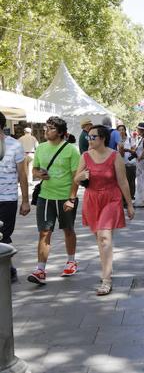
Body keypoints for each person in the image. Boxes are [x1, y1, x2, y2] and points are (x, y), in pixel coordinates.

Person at [74, 125, 134, 295]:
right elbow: (76, 179)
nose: (89, 140)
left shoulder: (115, 156)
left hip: (111, 199)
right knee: (100, 239)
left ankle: (106, 280)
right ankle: (107, 270)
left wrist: (129, 204)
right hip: (92, 200)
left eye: (93, 137)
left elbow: (123, 181)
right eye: (88, 137)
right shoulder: (85, 156)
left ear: (103, 139)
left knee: (104, 238)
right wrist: (81, 176)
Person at [28, 117, 81, 285]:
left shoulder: (71, 150)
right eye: (46, 128)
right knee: (44, 232)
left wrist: (71, 199)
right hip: (45, 196)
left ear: (60, 132)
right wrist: (38, 174)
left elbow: (76, 177)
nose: (46, 131)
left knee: (68, 230)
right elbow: (34, 169)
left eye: (50, 128)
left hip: (65, 197)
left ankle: (71, 261)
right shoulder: (41, 148)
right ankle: (40, 270)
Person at [0, 112, 31, 283]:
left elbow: (22, 174)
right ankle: (8, 268)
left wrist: (25, 201)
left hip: (7, 199)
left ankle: (8, 270)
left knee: (3, 235)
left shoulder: (14, 145)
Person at [117, 125, 137, 200]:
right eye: (119, 130)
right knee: (123, 183)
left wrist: (128, 150)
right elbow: (120, 154)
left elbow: (134, 151)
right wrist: (121, 150)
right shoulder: (117, 141)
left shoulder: (130, 140)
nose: (121, 131)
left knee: (131, 182)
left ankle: (131, 197)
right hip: (121, 164)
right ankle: (125, 199)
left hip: (130, 163)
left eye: (122, 129)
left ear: (125, 131)